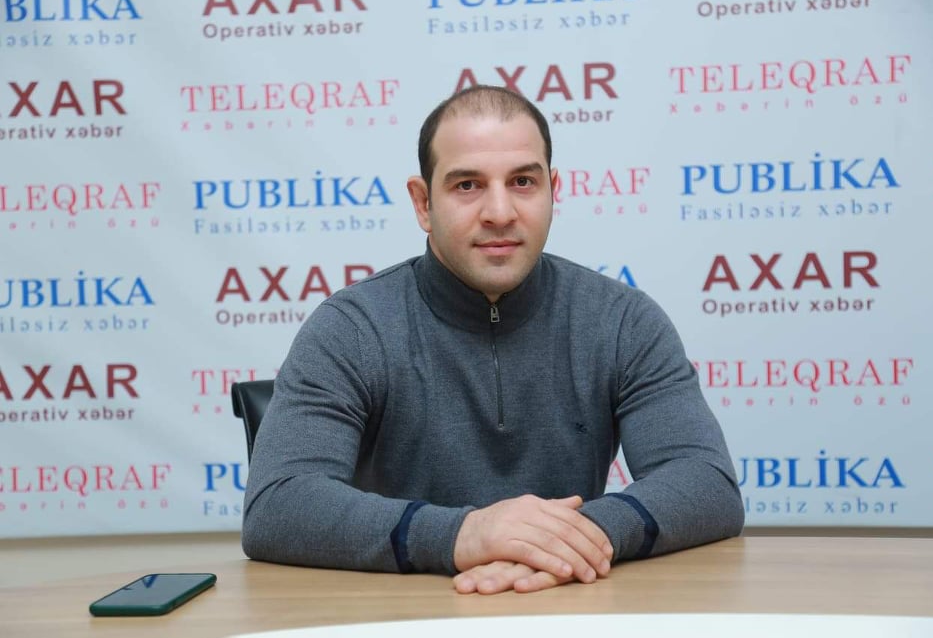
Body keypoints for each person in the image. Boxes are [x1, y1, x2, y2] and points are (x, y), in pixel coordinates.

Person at [242, 85, 744, 595]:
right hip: (401, 614)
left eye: (523, 181)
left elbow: (706, 481)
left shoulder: (624, 321)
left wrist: (576, 538)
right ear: (423, 202)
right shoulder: (350, 328)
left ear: (553, 191)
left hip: (569, 603)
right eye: (467, 185)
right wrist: (465, 534)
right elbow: (277, 505)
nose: (500, 212)